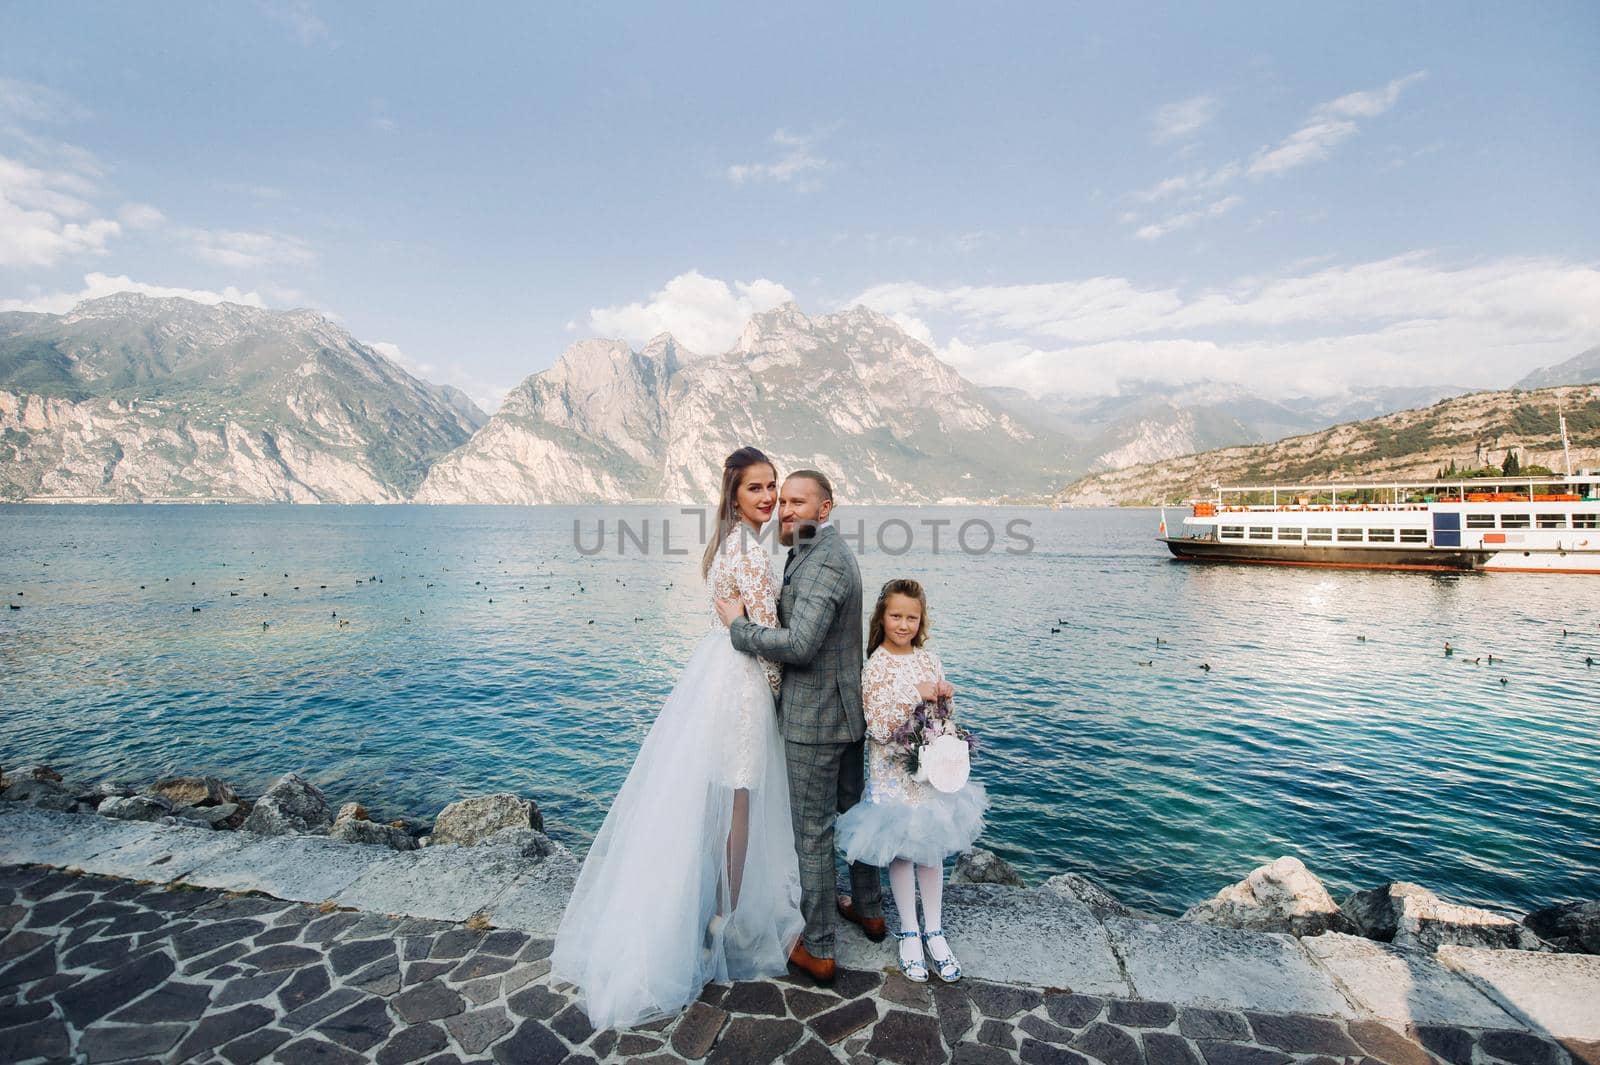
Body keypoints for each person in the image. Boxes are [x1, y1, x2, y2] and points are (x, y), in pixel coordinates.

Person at [551, 447, 803, 1029]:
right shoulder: (753, 554)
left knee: (717, 794)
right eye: (756, 489)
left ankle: (707, 902)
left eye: (772, 486)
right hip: (742, 684)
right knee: (743, 801)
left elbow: (732, 622)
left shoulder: (723, 544)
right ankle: (725, 914)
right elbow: (763, 637)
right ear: (734, 495)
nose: (767, 497)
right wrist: (779, 695)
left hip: (713, 676)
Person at [715, 469, 884, 985]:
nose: (785, 510)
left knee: (812, 832)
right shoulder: (810, 552)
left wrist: (738, 628)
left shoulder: (824, 561)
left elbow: (802, 644)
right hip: (842, 711)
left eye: (797, 502)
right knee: (853, 817)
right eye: (781, 501)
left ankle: (819, 947)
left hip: (816, 718)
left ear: (825, 509)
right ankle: (870, 909)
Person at [835, 578, 986, 983]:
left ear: (922, 621)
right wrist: (913, 695)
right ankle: (909, 931)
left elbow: (940, 720)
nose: (904, 624)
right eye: (896, 616)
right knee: (902, 852)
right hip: (891, 776)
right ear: (882, 618)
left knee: (931, 849)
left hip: (928, 774)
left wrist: (943, 697)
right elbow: (879, 728)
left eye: (912, 618)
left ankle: (935, 930)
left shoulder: (930, 659)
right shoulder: (875, 667)